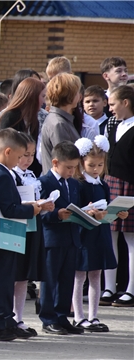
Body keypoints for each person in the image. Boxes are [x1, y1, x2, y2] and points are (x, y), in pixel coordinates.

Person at [0, 128, 39, 341]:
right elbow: (9, 209)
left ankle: (5, 318)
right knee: (0, 280)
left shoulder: (0, 172)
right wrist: (32, 209)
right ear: (7, 152)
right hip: (2, 235)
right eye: (18, 156)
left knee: (6, 278)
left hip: (5, 235)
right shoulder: (1, 174)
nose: (19, 161)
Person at [72, 136, 124, 332]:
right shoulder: (80, 184)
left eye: (100, 165)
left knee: (96, 275)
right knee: (79, 276)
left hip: (100, 233)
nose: (96, 169)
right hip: (84, 234)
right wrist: (89, 210)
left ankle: (93, 316)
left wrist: (117, 213)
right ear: (82, 163)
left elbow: (107, 210)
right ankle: (78, 316)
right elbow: (76, 209)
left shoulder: (103, 185)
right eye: (91, 165)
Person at [38, 141, 84, 335]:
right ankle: (48, 318)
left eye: (74, 167)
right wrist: (56, 214)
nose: (71, 171)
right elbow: (40, 211)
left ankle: (62, 316)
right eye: (68, 167)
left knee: (67, 279)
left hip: (71, 237)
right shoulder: (44, 182)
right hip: (52, 238)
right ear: (55, 163)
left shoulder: (73, 183)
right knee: (50, 279)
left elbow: (77, 207)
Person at [12, 133, 53, 337]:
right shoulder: (11, 174)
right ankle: (9, 317)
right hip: (16, 228)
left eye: (31, 154)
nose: (28, 159)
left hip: (32, 227)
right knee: (13, 275)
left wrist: (45, 206)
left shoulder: (32, 175)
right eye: (24, 154)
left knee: (23, 278)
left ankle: (18, 318)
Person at [102, 85, 134, 307]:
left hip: (131, 186)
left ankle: (131, 289)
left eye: (113, 104)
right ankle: (108, 287)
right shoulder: (115, 125)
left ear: (126, 102)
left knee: (132, 240)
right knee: (109, 236)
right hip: (111, 184)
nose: (110, 108)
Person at [0, 77, 46, 176]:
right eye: (42, 96)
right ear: (32, 96)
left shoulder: (34, 118)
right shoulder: (10, 116)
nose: (44, 101)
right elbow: (3, 149)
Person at [40, 73, 82, 174]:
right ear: (69, 95)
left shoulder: (61, 120)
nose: (79, 96)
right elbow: (65, 161)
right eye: (77, 92)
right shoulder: (58, 123)